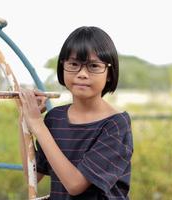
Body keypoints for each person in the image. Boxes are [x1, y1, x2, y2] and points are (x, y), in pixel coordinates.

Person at [19, 26, 133, 200]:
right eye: (73, 64)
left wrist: (37, 124)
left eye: (94, 66)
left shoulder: (116, 125)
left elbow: (75, 185)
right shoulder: (54, 118)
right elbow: (33, 176)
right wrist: (25, 120)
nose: (82, 74)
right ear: (62, 66)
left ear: (109, 73)